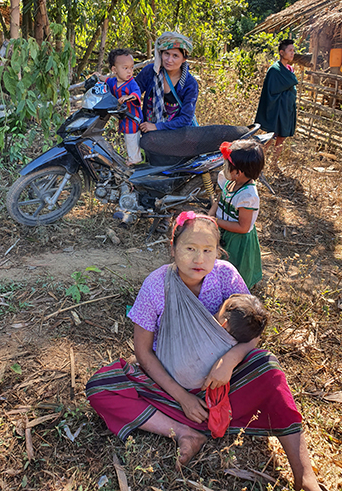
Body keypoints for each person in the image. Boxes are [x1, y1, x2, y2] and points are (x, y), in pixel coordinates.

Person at [86, 212, 321, 491]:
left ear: (217, 252)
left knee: (267, 366)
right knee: (101, 386)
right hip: (170, 386)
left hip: (221, 386)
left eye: (208, 250)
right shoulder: (156, 286)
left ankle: (304, 475)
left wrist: (229, 361)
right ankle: (186, 431)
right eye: (190, 249)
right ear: (172, 247)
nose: (199, 259)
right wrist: (183, 397)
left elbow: (252, 330)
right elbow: (144, 353)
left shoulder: (225, 276)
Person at [209, 139, 264, 289]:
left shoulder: (248, 196)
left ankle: (237, 289)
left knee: (234, 267)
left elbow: (243, 227)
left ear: (239, 172)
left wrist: (216, 221)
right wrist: (210, 216)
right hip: (223, 230)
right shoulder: (230, 182)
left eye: (228, 166)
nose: (225, 168)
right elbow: (219, 200)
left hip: (237, 240)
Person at [136, 31, 199, 132]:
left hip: (177, 136)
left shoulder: (189, 84)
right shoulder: (150, 72)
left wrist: (157, 126)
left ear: (184, 59)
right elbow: (134, 91)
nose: (169, 60)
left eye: (175, 56)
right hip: (148, 133)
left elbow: (186, 119)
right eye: (166, 54)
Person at [255, 39, 298, 166]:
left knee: (281, 138)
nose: (292, 53)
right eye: (290, 50)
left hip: (286, 109)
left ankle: (274, 164)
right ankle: (257, 162)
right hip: (277, 109)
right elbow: (270, 91)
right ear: (281, 52)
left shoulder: (289, 69)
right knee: (270, 137)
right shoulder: (274, 70)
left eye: (293, 51)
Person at [97, 49, 143, 165]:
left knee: (131, 137)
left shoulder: (131, 83)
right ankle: (131, 156)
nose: (130, 71)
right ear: (114, 70)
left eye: (131, 68)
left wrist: (129, 97)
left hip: (132, 117)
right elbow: (106, 80)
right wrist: (98, 76)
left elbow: (136, 92)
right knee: (127, 138)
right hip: (123, 117)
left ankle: (135, 159)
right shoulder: (114, 82)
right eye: (125, 68)